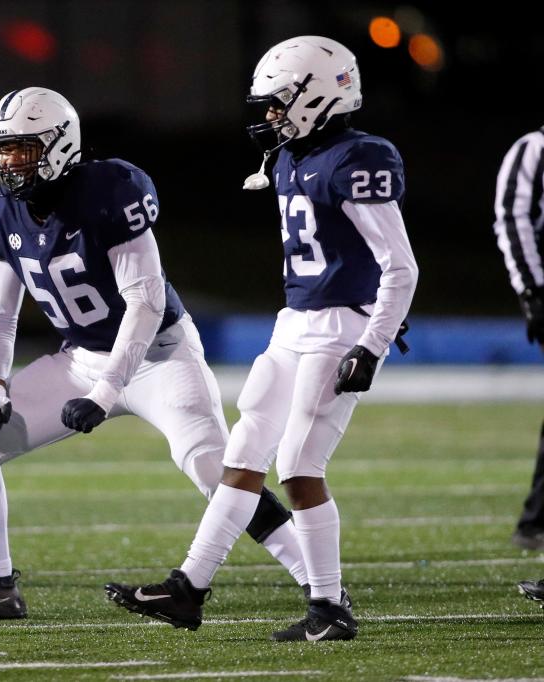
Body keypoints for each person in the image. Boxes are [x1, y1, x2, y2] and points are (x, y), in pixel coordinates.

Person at [0, 86, 312, 624]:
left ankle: (320, 587)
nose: (9, 163)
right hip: (81, 358)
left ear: (60, 147)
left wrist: (105, 395)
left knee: (213, 468)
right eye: (2, 150)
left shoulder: (109, 191)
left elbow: (146, 303)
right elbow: (0, 314)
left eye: (22, 150)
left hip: (159, 356)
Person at [104, 36, 418, 641]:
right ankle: (188, 588)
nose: (270, 115)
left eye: (279, 102)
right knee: (243, 454)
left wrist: (372, 345)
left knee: (300, 467)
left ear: (319, 95)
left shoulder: (360, 157)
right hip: (293, 322)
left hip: (341, 326)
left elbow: (400, 268)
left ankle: (329, 606)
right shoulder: (292, 158)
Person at [492, 126, 544, 552]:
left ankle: (536, 519)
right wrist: (532, 291)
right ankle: (535, 519)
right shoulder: (533, 149)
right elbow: (513, 217)